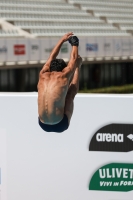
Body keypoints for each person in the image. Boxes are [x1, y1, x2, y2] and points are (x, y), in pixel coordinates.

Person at [37, 32, 82, 133]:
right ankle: (79, 68)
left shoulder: (42, 74)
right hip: (60, 124)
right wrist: (74, 44)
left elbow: (51, 57)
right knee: (70, 94)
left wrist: (62, 40)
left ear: (50, 68)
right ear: (63, 69)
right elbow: (74, 59)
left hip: (42, 123)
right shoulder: (63, 76)